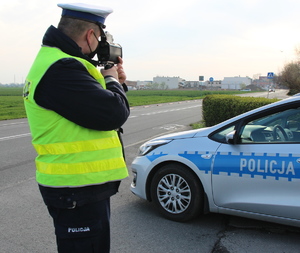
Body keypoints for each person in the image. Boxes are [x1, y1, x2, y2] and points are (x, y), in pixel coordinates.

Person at [23, 3, 130, 252]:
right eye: (102, 37)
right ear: (91, 35)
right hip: (75, 190)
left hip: (79, 188)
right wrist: (112, 79)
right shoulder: (62, 69)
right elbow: (113, 113)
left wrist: (115, 82)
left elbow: (95, 108)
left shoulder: (60, 62)